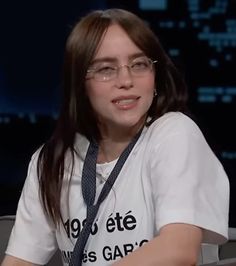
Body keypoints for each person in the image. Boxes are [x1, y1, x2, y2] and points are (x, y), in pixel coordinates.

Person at [1, 8, 229, 266]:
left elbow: (177, 250)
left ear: (156, 77)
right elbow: (19, 261)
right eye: (106, 69)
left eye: (139, 64)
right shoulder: (51, 160)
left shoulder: (174, 133)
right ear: (80, 84)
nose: (126, 79)